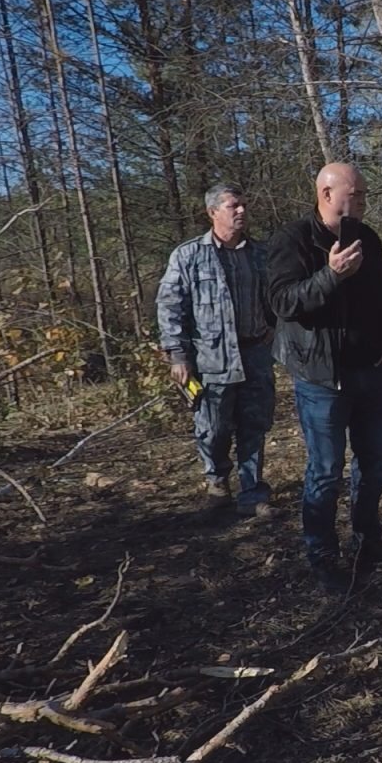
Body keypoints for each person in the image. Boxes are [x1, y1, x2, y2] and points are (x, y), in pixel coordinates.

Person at [267, 163, 382, 595]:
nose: (363, 200)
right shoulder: (292, 240)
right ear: (327, 194)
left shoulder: (369, 236)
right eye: (356, 193)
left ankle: (367, 537)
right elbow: (284, 302)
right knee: (325, 472)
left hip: (370, 371)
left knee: (374, 465)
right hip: (321, 378)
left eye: (364, 192)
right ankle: (322, 553)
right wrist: (331, 275)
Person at [156, 183, 278, 518]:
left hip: (255, 354)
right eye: (233, 206)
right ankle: (217, 481)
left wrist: (274, 328)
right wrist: (178, 355)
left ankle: (252, 493)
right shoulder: (189, 256)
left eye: (243, 206)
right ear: (213, 212)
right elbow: (169, 306)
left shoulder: (261, 254)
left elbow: (278, 297)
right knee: (213, 427)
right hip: (211, 359)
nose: (241, 212)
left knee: (254, 425)